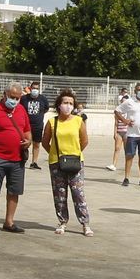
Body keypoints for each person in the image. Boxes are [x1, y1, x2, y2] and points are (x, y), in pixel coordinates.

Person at [0, 82, 31, 235]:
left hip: (17, 159)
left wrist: (28, 141)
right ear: (5, 95)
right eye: (12, 97)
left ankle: (9, 222)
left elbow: (27, 130)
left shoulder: (21, 110)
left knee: (14, 191)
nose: (15, 101)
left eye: (18, 98)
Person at [44, 89, 91, 235]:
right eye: (65, 102)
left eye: (71, 103)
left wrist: (75, 152)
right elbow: (45, 142)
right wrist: (55, 154)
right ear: (59, 105)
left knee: (78, 193)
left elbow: (84, 141)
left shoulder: (78, 121)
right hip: (57, 163)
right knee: (60, 193)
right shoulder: (52, 122)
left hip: (75, 162)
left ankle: (85, 223)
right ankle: (62, 221)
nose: (68, 106)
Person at [22, 81, 49, 169]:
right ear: (30, 88)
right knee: (24, 143)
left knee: (36, 144)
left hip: (38, 125)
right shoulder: (24, 99)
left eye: (37, 88)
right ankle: (22, 159)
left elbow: (46, 109)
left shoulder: (43, 99)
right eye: (33, 88)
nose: (35, 90)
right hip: (25, 126)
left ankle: (34, 162)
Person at [107, 87, 130, 171]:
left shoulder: (130, 112)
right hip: (119, 132)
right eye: (122, 102)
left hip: (127, 132)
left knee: (127, 150)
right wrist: (115, 133)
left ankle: (127, 165)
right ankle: (113, 165)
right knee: (117, 148)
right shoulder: (118, 112)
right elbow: (116, 123)